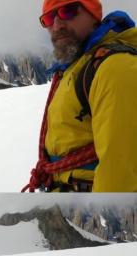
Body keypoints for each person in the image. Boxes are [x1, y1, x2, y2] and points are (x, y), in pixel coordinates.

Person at [24, 0, 137, 192]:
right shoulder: (76, 68)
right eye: (50, 18)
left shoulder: (115, 67)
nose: (57, 25)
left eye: (68, 11)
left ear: (93, 14)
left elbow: (121, 171)